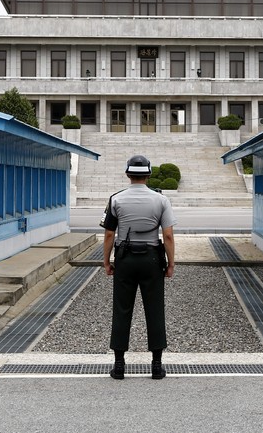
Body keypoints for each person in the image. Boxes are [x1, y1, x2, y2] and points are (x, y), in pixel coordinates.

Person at [101, 155, 176, 380]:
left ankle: (119, 364)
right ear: (149, 174)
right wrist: (171, 263)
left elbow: (109, 234)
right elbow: (169, 236)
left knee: (122, 309)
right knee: (154, 309)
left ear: (127, 174)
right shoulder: (161, 200)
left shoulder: (116, 199)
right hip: (152, 259)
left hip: (125, 258)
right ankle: (156, 364)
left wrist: (106, 261)